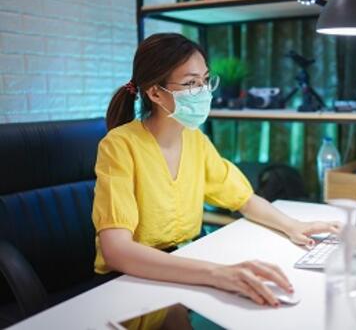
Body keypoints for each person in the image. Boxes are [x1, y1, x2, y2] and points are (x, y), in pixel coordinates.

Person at [92, 33, 340, 307]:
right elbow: (116, 251)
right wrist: (217, 274)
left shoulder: (195, 139)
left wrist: (294, 226)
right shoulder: (119, 145)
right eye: (190, 83)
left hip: (182, 265)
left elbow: (243, 198)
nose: (203, 91)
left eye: (205, 80)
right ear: (154, 92)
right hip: (132, 280)